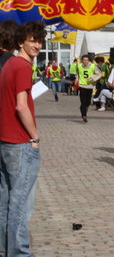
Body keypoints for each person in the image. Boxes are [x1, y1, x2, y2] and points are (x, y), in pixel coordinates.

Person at [0, 20, 47, 257]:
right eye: (32, 40)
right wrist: (35, 136)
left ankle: (4, 249)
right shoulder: (22, 67)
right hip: (20, 143)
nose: (37, 45)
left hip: (5, 142)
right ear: (21, 41)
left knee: (5, 202)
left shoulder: (8, 65)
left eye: (39, 41)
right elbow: (21, 106)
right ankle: (19, 253)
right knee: (20, 205)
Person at [75, 54, 101, 123]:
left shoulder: (93, 66)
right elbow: (77, 73)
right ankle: (84, 115)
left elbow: (99, 74)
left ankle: (83, 110)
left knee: (88, 102)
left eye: (86, 60)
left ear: (89, 61)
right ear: (82, 60)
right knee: (83, 101)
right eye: (84, 60)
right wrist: (77, 79)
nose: (85, 61)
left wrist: (92, 78)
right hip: (82, 85)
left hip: (89, 86)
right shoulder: (79, 66)